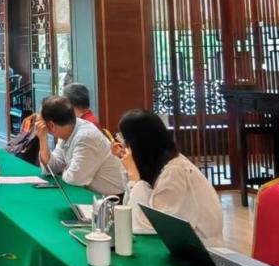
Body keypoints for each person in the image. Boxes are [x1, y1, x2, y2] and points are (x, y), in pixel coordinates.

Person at [114, 110, 222, 244]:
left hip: (201, 250)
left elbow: (148, 226)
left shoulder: (175, 172)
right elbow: (130, 206)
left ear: (139, 143)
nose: (123, 146)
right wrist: (130, 169)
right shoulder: (159, 164)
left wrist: (134, 176)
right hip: (176, 245)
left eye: (124, 140)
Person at [36, 95, 123, 196]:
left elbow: (75, 179)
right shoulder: (66, 130)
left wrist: (63, 170)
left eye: (41, 122)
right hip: (90, 193)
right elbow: (53, 168)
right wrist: (43, 140)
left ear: (51, 125)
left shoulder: (86, 137)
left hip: (112, 199)